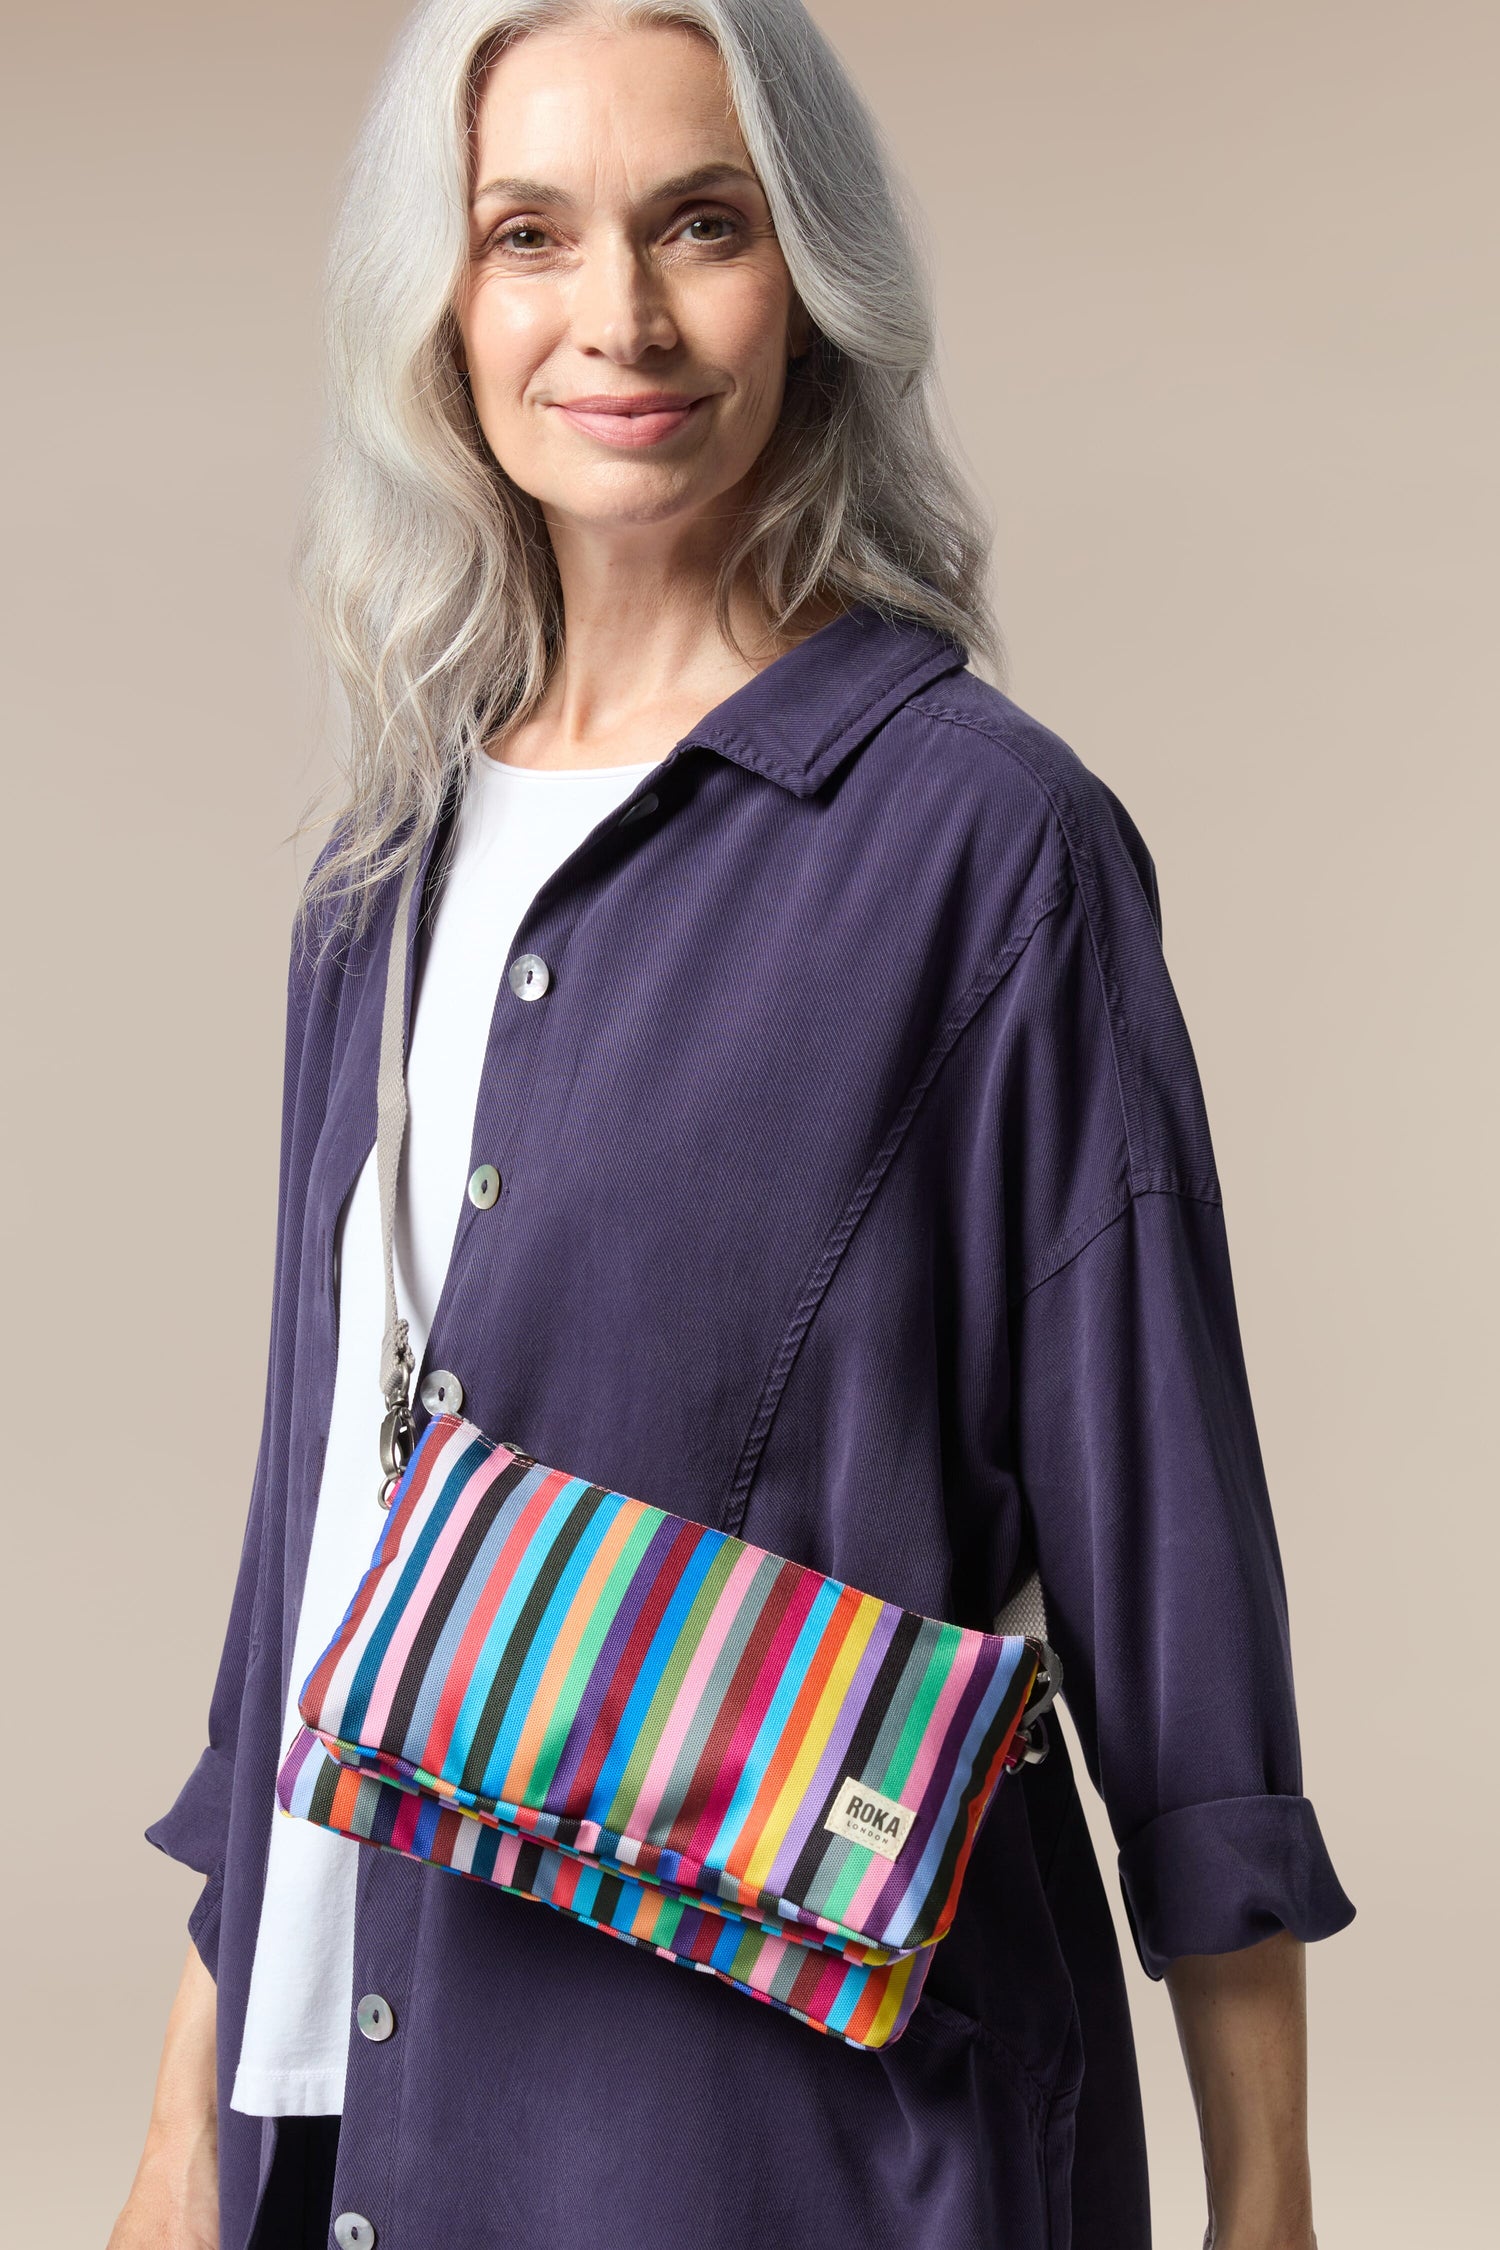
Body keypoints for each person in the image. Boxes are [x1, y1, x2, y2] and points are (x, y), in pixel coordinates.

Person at [111, 3, 1355, 2246]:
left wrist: (1265, 2198)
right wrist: (191, 2122)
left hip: (793, 2144)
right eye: (527, 236)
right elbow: (323, 1525)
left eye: (706, 224)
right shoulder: (373, 883)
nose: (622, 318)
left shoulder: (987, 849)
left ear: (819, 282)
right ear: (443, 305)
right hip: (358, 2112)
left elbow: (1170, 1570)